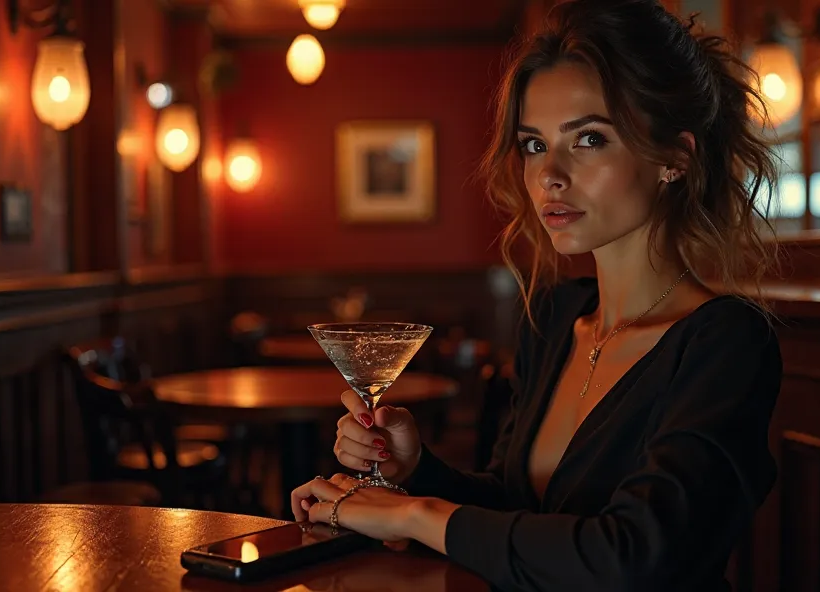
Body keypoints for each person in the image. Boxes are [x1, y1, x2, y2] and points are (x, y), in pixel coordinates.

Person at [291, 0, 784, 589]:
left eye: (590, 139)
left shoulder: (727, 342)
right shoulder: (552, 319)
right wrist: (418, 471)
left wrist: (416, 514)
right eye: (532, 144)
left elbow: (635, 556)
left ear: (674, 159)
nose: (549, 173)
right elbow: (516, 511)